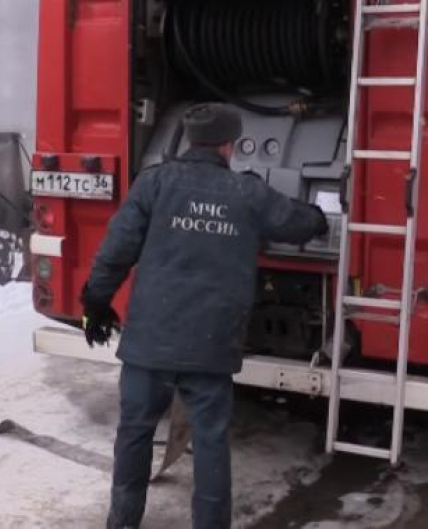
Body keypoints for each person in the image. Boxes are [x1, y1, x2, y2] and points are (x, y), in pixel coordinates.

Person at [80, 103, 328, 529]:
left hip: (149, 342)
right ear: (229, 146)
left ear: (190, 139)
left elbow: (116, 250)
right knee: (211, 441)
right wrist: (320, 217)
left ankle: (122, 521)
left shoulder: (153, 183)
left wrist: (95, 302)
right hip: (210, 344)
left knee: (135, 433)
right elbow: (296, 222)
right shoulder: (246, 192)